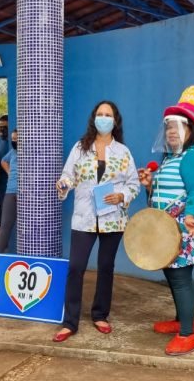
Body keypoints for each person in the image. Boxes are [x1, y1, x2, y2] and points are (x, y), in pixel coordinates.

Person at [52, 101, 140, 342]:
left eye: (108, 115)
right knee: (76, 267)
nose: (103, 118)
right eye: (100, 114)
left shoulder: (123, 152)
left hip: (113, 218)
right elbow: (68, 175)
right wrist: (64, 184)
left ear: (115, 120)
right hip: (85, 218)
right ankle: (70, 321)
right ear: (94, 118)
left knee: (106, 267)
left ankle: (100, 314)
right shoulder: (80, 147)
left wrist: (122, 196)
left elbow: (134, 184)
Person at [138, 86, 194, 356]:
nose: (171, 131)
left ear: (191, 131)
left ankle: (189, 332)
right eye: (169, 126)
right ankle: (183, 319)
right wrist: (149, 185)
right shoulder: (169, 158)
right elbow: (160, 195)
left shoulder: (192, 157)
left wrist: (190, 215)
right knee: (172, 276)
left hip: (182, 229)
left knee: (181, 279)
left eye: (178, 126)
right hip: (165, 231)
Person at [0, 129, 18, 266]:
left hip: (28, 194)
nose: (14, 141)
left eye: (17, 138)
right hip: (11, 191)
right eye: (13, 139)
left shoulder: (32, 152)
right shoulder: (12, 152)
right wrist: (9, 172)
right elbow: (3, 161)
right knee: (5, 225)